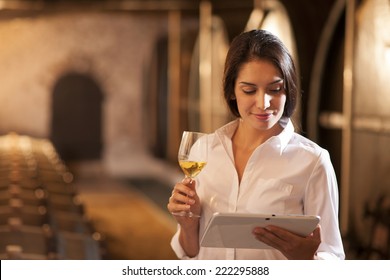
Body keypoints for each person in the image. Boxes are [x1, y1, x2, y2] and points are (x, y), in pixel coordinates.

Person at [167, 29, 345, 260]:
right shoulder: (204, 151)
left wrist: (307, 261)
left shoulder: (312, 162)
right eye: (249, 90)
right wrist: (187, 224)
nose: (263, 103)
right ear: (232, 91)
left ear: (287, 89)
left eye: (275, 89)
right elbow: (192, 255)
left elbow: (332, 257)